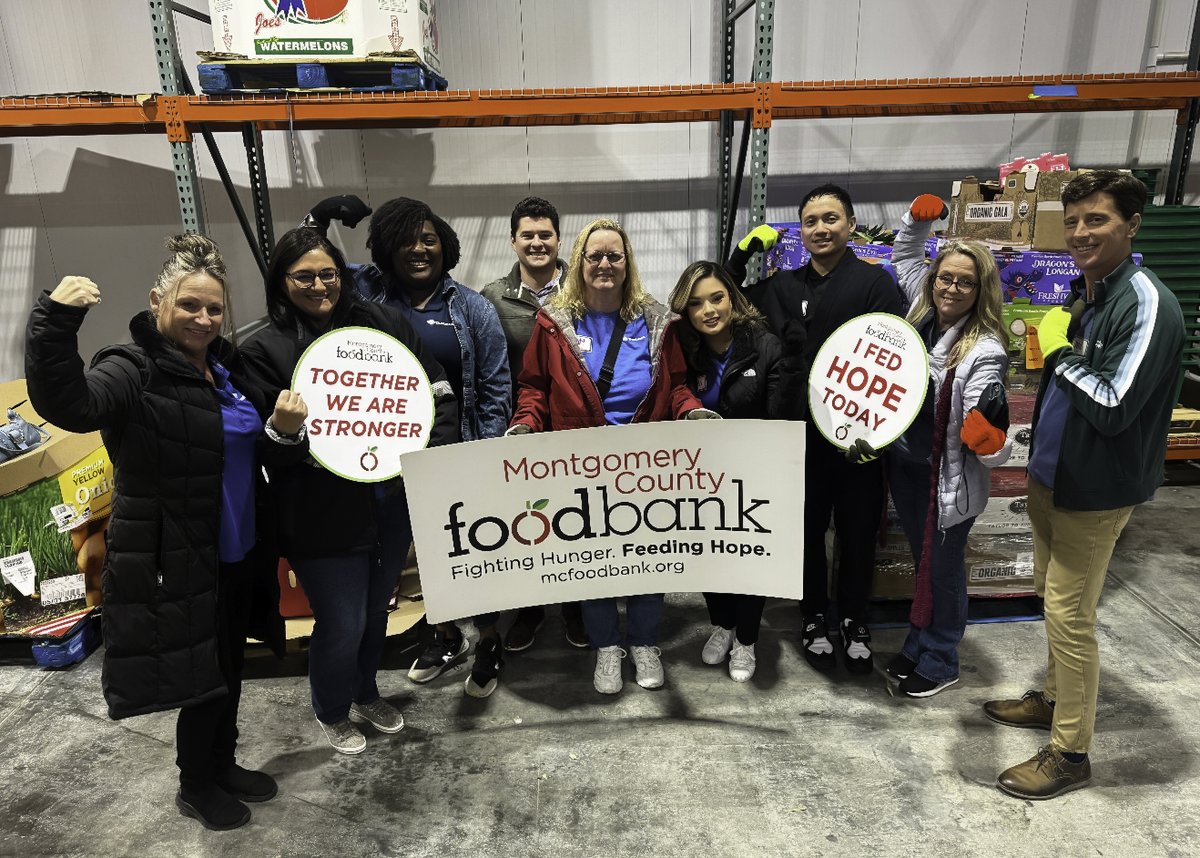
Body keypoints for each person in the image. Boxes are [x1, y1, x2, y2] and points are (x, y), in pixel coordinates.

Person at [25, 235, 295, 831]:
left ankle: (221, 763)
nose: (203, 318)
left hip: (239, 546)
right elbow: (72, 405)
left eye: (214, 309)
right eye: (189, 306)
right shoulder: (132, 367)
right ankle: (195, 783)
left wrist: (281, 428)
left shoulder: (226, 369)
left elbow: (254, 446)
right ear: (157, 302)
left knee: (227, 665)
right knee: (198, 676)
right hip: (176, 553)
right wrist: (55, 320)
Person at [985, 171, 1184, 800]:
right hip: (1053, 478)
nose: (1080, 233)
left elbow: (1114, 403)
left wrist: (1058, 350)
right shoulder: (1090, 291)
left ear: (1131, 224)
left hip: (1096, 491)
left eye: (1096, 220)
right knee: (1052, 600)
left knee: (1071, 617)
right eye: (1072, 221)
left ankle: (1070, 753)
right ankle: (1051, 698)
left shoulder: (1144, 302)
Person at [240, 227, 460, 754]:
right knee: (343, 619)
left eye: (328, 274)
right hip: (320, 511)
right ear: (280, 280)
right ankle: (331, 708)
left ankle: (364, 691)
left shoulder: (382, 322)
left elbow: (435, 387)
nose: (319, 285)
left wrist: (434, 443)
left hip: (388, 499)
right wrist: (284, 431)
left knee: (377, 610)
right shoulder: (260, 350)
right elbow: (265, 453)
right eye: (304, 276)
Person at [509, 218, 713, 695]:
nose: (604, 264)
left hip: (644, 466)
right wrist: (525, 422)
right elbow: (535, 387)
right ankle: (606, 647)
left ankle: (643, 643)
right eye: (594, 255)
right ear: (579, 263)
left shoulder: (657, 321)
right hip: (577, 464)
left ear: (627, 264)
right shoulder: (553, 323)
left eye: (614, 256)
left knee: (647, 558)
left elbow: (676, 384)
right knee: (592, 561)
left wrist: (692, 412)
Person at [727, 184, 905, 674]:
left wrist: (883, 433)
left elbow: (899, 365)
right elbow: (725, 298)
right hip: (798, 435)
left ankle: (854, 618)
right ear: (799, 230)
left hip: (856, 440)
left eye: (831, 219)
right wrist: (742, 254)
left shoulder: (876, 285)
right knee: (804, 532)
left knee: (857, 529)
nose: (821, 229)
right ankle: (812, 616)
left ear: (850, 225)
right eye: (810, 221)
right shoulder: (784, 286)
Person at [351, 196, 512, 698]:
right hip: (382, 453)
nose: (419, 250)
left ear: (445, 245)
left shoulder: (472, 307)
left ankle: (487, 639)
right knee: (417, 554)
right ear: (385, 247)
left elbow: (495, 385)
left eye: (429, 239)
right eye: (406, 240)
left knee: (471, 547)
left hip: (455, 447)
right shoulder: (362, 293)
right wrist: (318, 218)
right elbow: (310, 266)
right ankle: (444, 636)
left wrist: (480, 453)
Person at [882, 194, 1013, 698]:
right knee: (925, 562)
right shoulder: (922, 310)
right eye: (945, 277)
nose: (951, 288)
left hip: (947, 480)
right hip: (910, 468)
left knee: (943, 569)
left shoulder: (983, 348)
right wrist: (916, 219)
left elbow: (987, 403)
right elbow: (904, 256)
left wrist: (989, 431)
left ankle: (940, 658)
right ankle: (919, 642)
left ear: (980, 289)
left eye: (964, 281)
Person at [667, 260, 804, 682]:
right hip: (702, 475)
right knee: (709, 558)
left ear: (732, 298)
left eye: (716, 298)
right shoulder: (684, 351)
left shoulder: (764, 345)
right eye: (696, 304)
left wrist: (794, 366)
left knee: (749, 559)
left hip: (754, 475)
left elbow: (782, 418)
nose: (708, 310)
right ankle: (721, 624)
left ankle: (746, 639)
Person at [479, 196, 588, 653]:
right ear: (513, 241)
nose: (538, 242)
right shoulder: (491, 298)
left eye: (545, 234)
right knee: (528, 526)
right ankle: (528, 611)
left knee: (578, 523)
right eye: (528, 235)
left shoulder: (585, 289)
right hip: (519, 430)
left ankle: (578, 609)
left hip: (573, 431)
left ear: (558, 239)